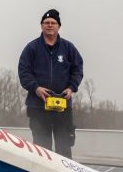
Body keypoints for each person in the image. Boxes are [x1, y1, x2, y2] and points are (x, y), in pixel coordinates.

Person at [18, 9, 83, 159]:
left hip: (63, 108)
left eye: (53, 23)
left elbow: (78, 69)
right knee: (41, 151)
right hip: (38, 107)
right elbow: (23, 72)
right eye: (46, 23)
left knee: (64, 149)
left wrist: (71, 87)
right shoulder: (31, 48)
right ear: (41, 26)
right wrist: (36, 88)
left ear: (59, 26)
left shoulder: (69, 48)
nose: (49, 25)